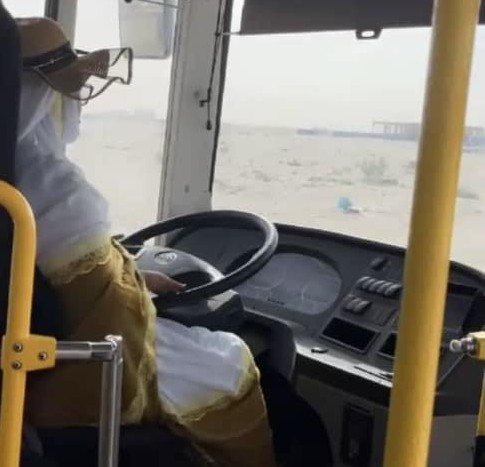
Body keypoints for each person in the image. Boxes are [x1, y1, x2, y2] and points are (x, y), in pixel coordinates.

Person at [16, 16, 277, 467]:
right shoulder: (54, 186)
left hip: (41, 359)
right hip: (92, 370)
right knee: (232, 362)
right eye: (64, 93)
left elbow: (61, 276)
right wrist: (133, 289)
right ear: (38, 98)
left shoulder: (15, 177)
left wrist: (135, 274)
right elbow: (108, 312)